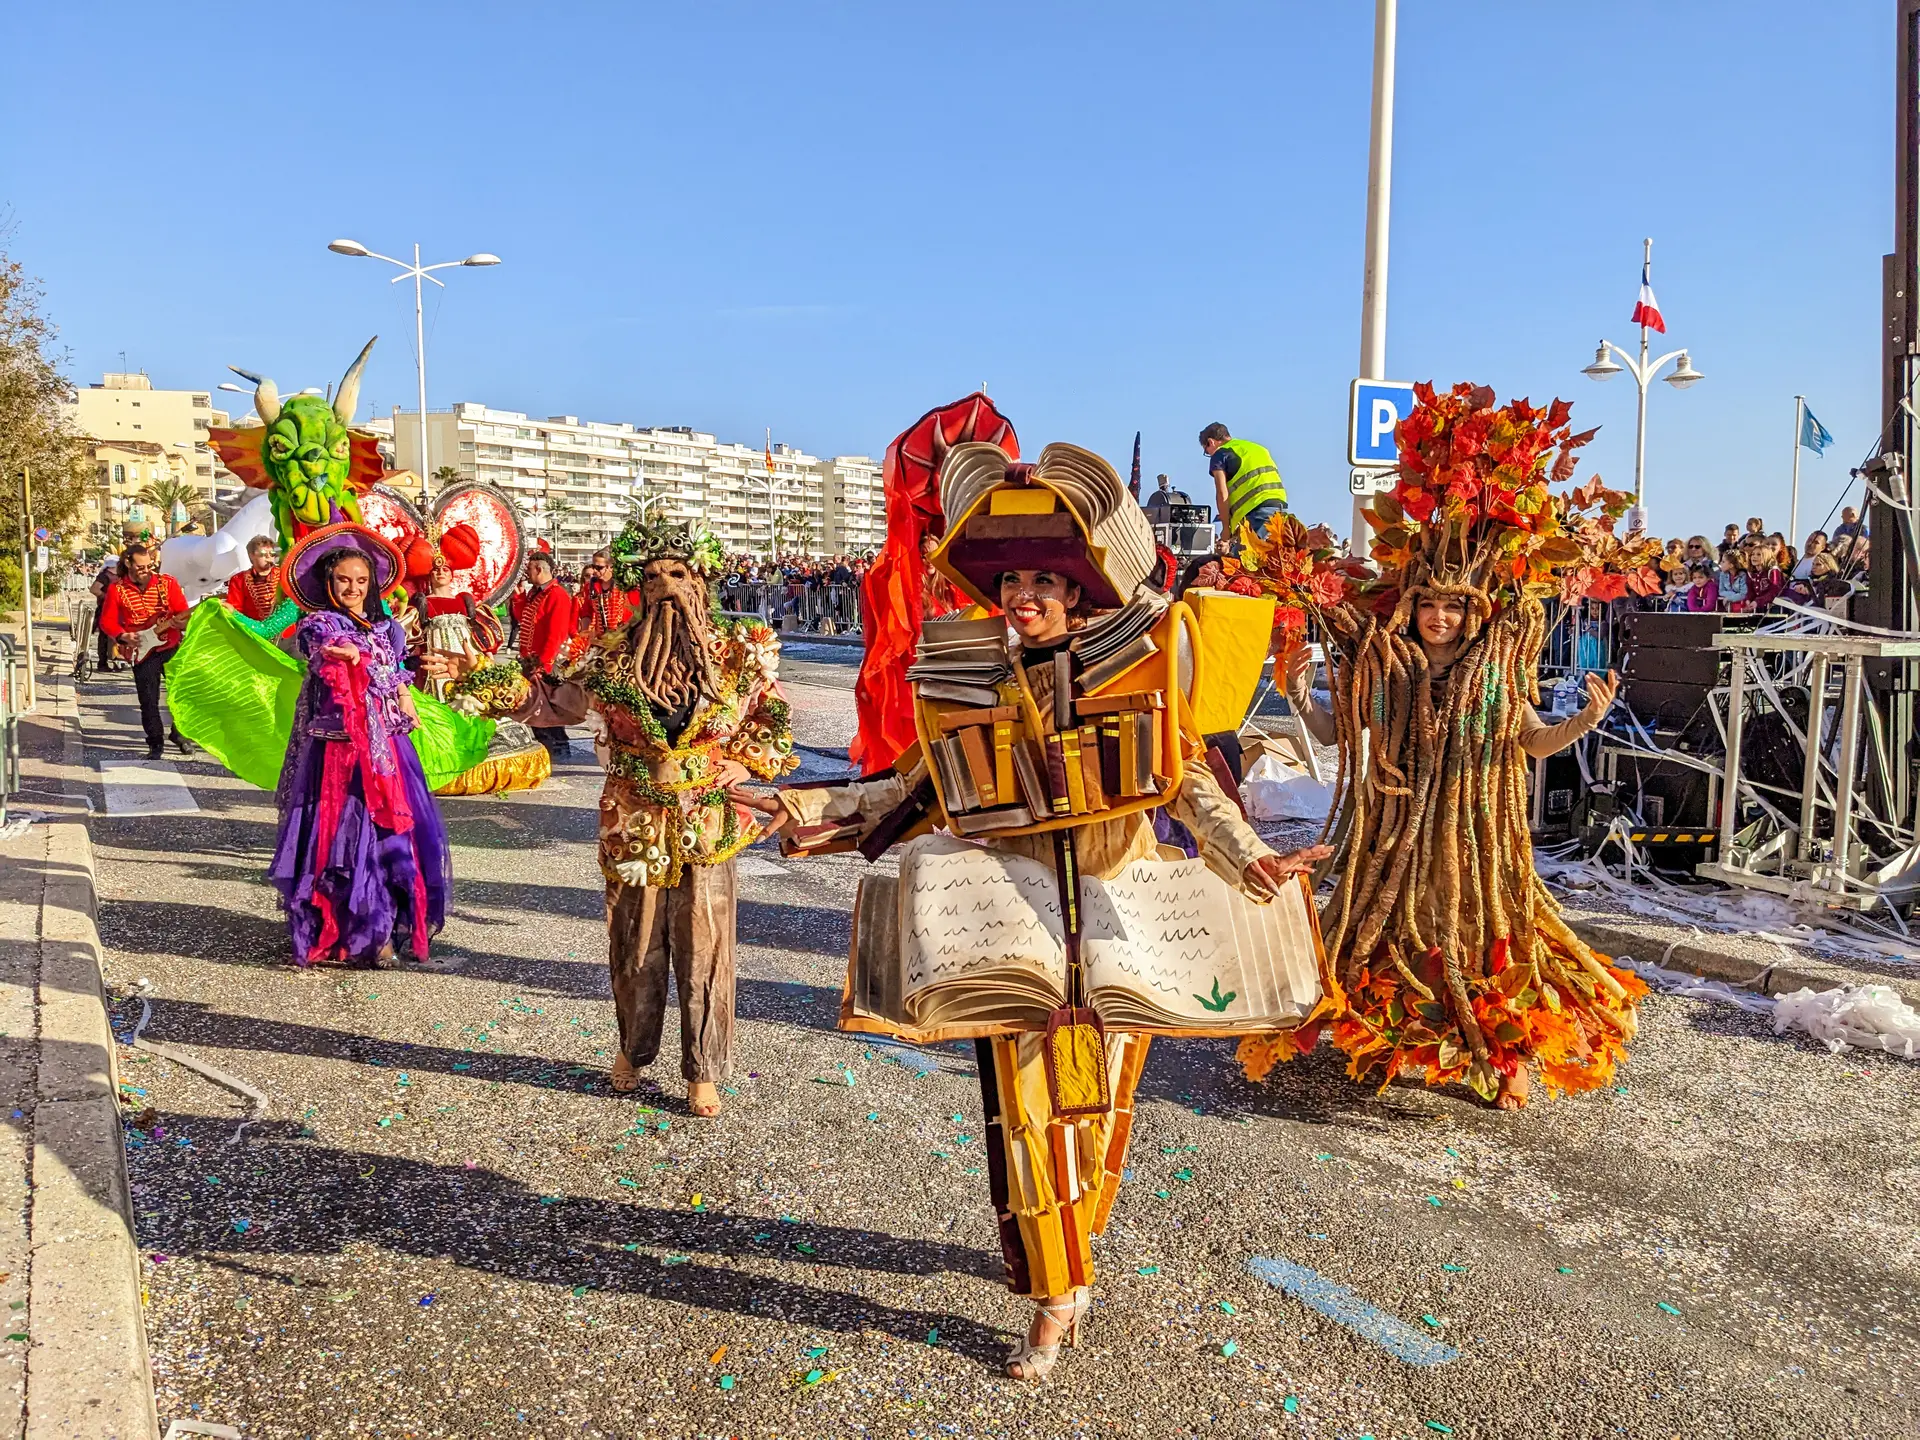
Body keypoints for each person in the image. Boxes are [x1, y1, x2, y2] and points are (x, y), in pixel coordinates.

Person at [741, 439, 1327, 1382]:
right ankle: (1055, 1297)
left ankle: (1067, 1253)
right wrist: (804, 806)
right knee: (1029, 1115)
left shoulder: (1134, 677)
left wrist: (1251, 858)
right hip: (1010, 932)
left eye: (1042, 582)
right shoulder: (972, 684)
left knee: (1098, 1111)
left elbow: (1186, 786)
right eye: (1010, 581)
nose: (1023, 596)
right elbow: (911, 787)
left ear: (1077, 595)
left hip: (1123, 928)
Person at [1236, 383, 1646, 1113]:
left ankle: (1484, 1039)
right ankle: (1377, 1021)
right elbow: (1333, 735)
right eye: (1428, 603)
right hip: (1393, 838)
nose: (1438, 616)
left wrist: (1587, 720)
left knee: (1469, 934)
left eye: (1453, 605)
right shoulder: (1387, 668)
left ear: (1474, 611)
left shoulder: (1493, 675)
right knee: (1392, 927)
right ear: (1412, 605)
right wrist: (1297, 690)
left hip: (1471, 842)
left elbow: (1530, 740)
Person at [438, 516, 797, 1117]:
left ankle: (703, 1068)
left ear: (699, 580)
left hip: (708, 817)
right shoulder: (610, 656)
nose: (665, 587)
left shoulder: (740, 653)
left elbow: (771, 716)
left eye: (677, 574)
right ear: (638, 585)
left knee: (707, 947)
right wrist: (480, 676)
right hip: (633, 816)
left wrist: (747, 762)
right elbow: (554, 702)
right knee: (634, 941)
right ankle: (633, 1048)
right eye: (652, 576)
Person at [268, 523, 450, 968]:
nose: (352, 588)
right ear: (329, 583)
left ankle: (385, 929)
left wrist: (409, 703)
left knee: (394, 838)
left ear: (372, 585)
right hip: (340, 752)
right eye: (344, 580)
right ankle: (358, 932)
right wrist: (341, 652)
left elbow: (397, 673)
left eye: (361, 581)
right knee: (347, 843)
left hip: (387, 745)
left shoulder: (387, 627)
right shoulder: (319, 623)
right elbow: (322, 648)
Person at [99, 540, 191, 759]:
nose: (146, 571)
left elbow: (183, 612)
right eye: (141, 567)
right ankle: (155, 743)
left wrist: (182, 623)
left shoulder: (167, 583)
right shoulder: (117, 589)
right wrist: (123, 636)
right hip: (141, 649)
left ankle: (180, 734)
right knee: (148, 700)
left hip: (170, 645)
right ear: (128, 564)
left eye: (149, 566)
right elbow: (107, 621)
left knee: (182, 694)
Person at [516, 552, 576, 754]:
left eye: (529, 569)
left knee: (546, 708)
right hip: (531, 659)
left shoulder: (557, 594)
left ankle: (557, 746)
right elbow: (523, 618)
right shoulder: (536, 592)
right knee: (536, 706)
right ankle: (551, 745)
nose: (526, 573)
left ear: (539, 569)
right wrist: (517, 596)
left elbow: (556, 633)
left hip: (543, 661)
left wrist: (544, 664)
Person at [1199, 423, 1287, 552]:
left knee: (1247, 562)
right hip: (1279, 507)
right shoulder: (1258, 448)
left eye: (1207, 452)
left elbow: (1222, 493)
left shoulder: (1220, 454)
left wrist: (1226, 528)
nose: (1210, 455)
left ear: (1211, 442)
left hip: (1255, 511)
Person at [573, 548, 633, 643]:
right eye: (593, 567)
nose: (595, 571)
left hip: (623, 637)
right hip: (600, 638)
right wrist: (584, 632)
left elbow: (634, 612)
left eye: (599, 567)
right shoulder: (590, 586)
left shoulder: (624, 585)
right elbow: (587, 611)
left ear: (610, 567)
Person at [224, 535, 283, 621]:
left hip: (286, 630)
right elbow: (235, 611)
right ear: (251, 556)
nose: (268, 557)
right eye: (263, 554)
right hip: (253, 629)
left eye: (272, 554)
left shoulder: (284, 574)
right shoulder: (239, 579)